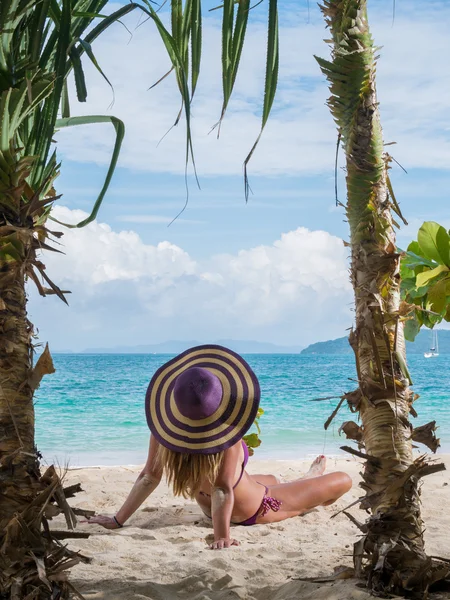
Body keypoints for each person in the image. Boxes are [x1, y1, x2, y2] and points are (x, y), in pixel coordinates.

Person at [86, 345, 352, 549]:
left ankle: (299, 482)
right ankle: (308, 480)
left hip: (210, 507)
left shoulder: (165, 431)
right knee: (342, 480)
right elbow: (222, 489)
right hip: (251, 510)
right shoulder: (227, 435)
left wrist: (118, 520)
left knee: (271, 478)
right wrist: (221, 537)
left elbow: (148, 477)